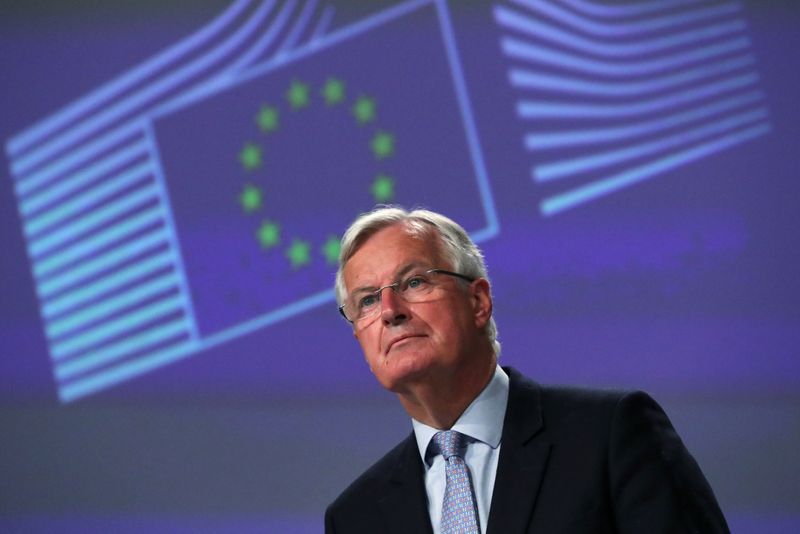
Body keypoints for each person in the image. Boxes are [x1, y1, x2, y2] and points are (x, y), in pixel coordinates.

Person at [325, 206, 729, 533]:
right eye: (367, 301)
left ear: (479, 301)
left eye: (413, 282)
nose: (391, 312)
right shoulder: (355, 517)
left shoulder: (609, 437)